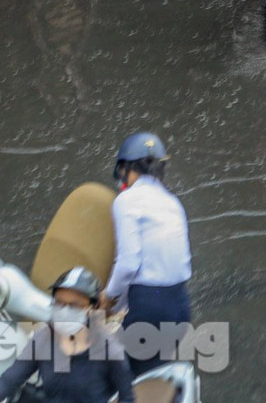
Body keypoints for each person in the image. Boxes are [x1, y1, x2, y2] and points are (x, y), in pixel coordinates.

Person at [0, 268, 135, 403]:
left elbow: (127, 398)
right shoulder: (43, 339)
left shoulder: (110, 350)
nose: (64, 311)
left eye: (75, 306)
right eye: (59, 303)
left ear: (92, 308)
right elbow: (10, 380)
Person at [103, 132, 192, 377]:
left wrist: (108, 299)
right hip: (180, 307)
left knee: (109, 375)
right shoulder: (173, 202)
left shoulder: (126, 200)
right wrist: (120, 305)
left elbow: (129, 264)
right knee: (148, 378)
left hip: (149, 310)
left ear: (125, 168)